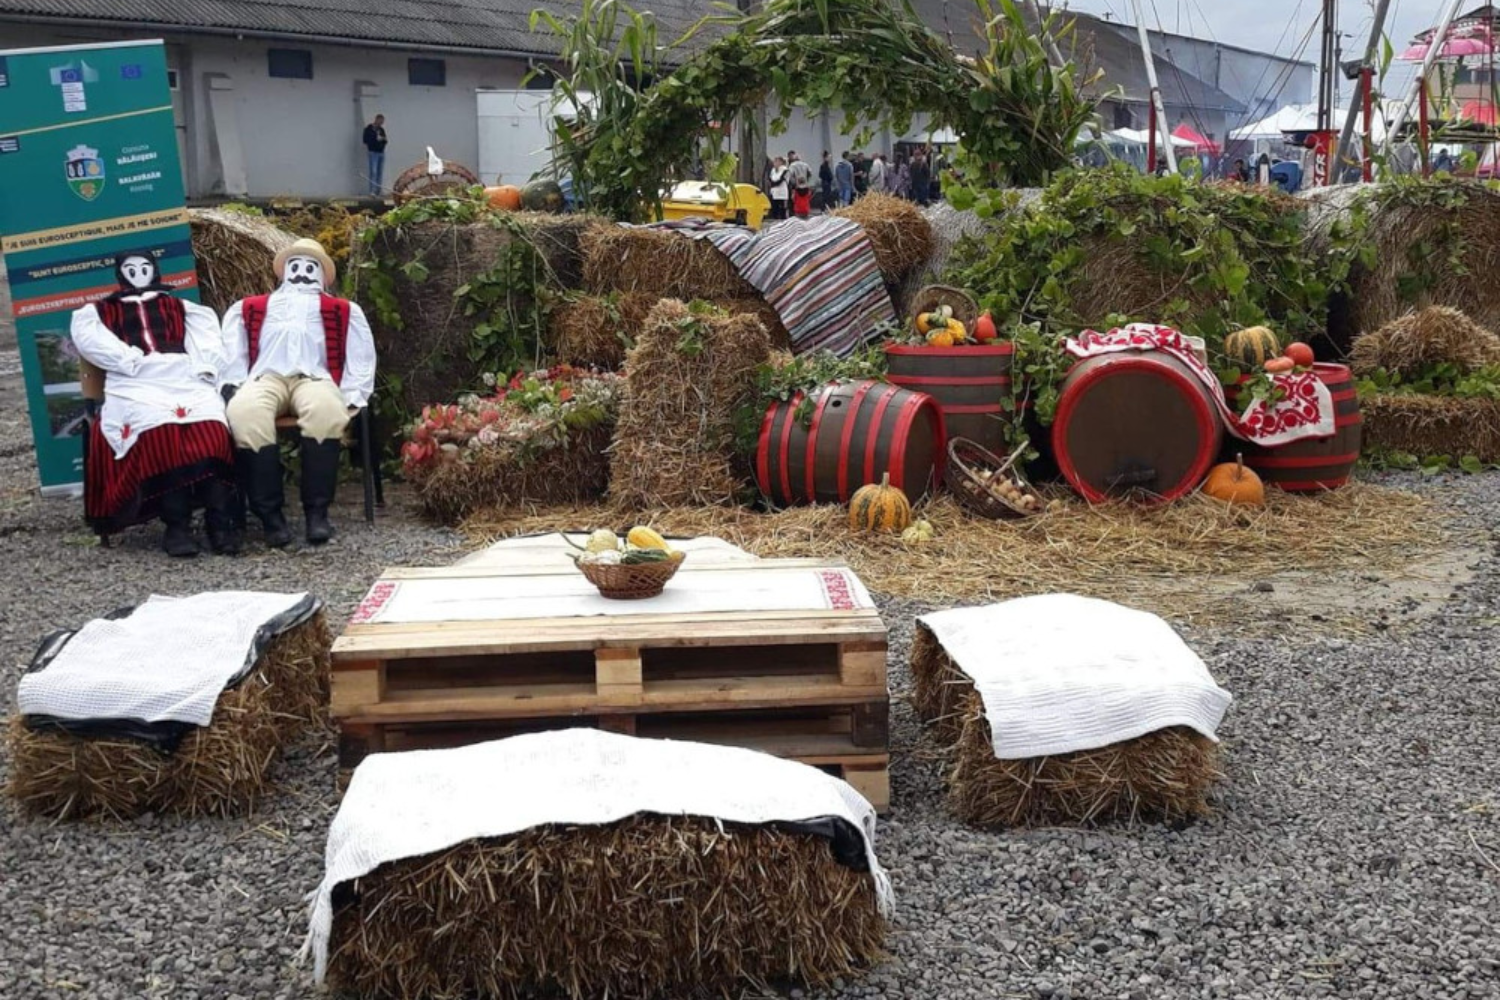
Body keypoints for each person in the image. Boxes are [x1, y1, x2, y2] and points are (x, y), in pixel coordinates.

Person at [70, 252, 240, 557]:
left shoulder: (183, 308)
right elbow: (93, 342)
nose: (138, 273)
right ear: (120, 273)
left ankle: (219, 521)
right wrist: (129, 359)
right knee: (158, 433)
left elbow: (207, 344)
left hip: (184, 378)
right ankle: (177, 524)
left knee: (213, 429)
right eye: (130, 268)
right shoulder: (98, 312)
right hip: (133, 382)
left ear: (155, 269)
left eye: (144, 267)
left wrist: (203, 369)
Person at [221, 239, 377, 547]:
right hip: (265, 377)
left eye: (310, 267)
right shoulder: (249, 307)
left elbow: (361, 356)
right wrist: (234, 383)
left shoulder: (344, 310)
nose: (302, 273)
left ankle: (317, 513)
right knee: (245, 413)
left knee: (326, 412)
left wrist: (352, 395)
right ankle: (270, 517)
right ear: (284, 272)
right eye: (296, 266)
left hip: (315, 378)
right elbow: (232, 352)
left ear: (321, 274)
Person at [362, 114, 388, 198]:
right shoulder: (368, 129)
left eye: (382, 122)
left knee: (380, 172)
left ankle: (378, 191)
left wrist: (383, 139)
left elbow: (385, 140)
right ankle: (372, 191)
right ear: (376, 120)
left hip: (381, 152)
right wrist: (375, 138)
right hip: (373, 152)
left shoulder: (381, 130)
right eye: (380, 121)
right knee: (373, 171)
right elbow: (365, 140)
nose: (381, 124)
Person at [787, 151, 814, 217]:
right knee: (805, 201)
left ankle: (796, 214)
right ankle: (805, 212)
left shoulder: (792, 165)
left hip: (797, 187)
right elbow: (810, 173)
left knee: (796, 201)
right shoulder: (806, 165)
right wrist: (808, 181)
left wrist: (793, 184)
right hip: (805, 186)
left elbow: (790, 175)